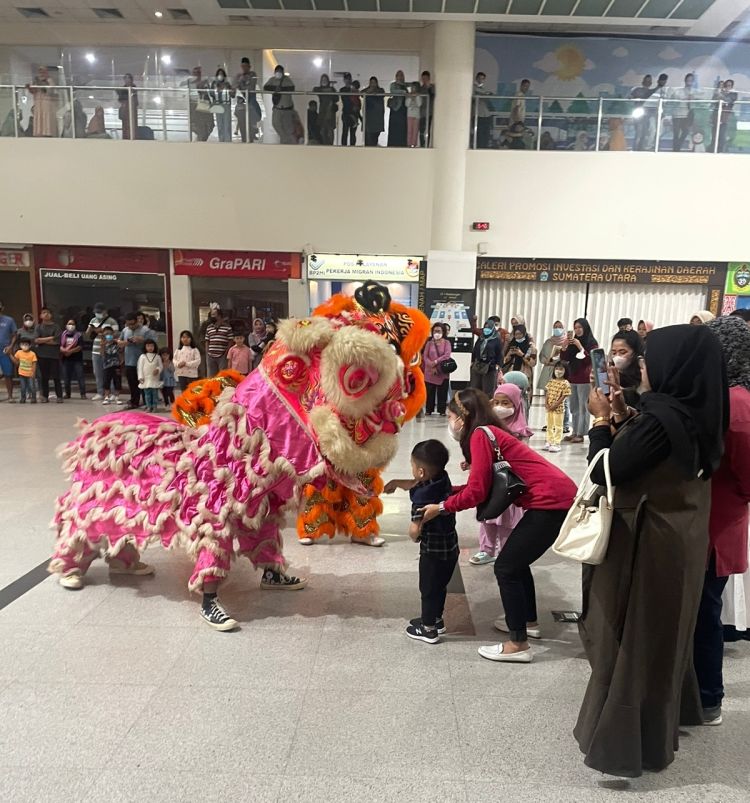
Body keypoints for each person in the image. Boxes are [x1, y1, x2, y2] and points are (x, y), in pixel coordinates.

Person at [576, 324, 728, 779]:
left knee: (633, 638)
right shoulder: (697, 411)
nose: (641, 365)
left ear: (673, 365)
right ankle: (665, 717)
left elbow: (607, 472)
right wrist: (625, 417)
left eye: (646, 359)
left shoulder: (662, 419)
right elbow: (653, 459)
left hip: (648, 544)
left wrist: (601, 423)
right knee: (664, 636)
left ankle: (624, 744)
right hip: (678, 539)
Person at [420, 388, 576, 662]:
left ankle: (518, 645)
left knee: (506, 566)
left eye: (450, 416)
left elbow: (478, 492)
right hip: (555, 497)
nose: (450, 422)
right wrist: (447, 493)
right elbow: (480, 484)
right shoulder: (487, 432)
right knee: (515, 563)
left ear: (463, 416)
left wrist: (442, 507)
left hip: (550, 502)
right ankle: (528, 622)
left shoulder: (480, 434)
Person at [692, 317, 750, 726]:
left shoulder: (737, 403)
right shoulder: (718, 396)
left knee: (704, 612)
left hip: (716, 525)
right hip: (705, 521)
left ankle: (709, 696)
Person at [384, 440, 458, 644]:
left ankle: (428, 629)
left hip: (432, 552)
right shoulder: (441, 478)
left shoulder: (421, 502)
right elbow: (416, 483)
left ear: (421, 471)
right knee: (440, 586)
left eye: (413, 466)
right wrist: (397, 483)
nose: (412, 470)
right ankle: (437, 619)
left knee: (428, 588)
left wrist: (414, 536)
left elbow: (414, 530)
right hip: (451, 547)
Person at [470, 383, 531, 566]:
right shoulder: (488, 426)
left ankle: (506, 552)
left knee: (506, 522)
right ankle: (486, 550)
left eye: (506, 403)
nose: (500, 407)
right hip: (489, 480)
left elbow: (522, 459)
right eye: (496, 402)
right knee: (488, 517)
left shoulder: (520, 432)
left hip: (507, 484)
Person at [563, 318, 598, 443]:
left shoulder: (592, 343)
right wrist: (564, 346)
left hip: (585, 379)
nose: (577, 330)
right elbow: (565, 358)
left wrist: (580, 346)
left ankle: (581, 433)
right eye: (575, 327)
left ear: (585, 328)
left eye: (580, 327)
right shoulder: (572, 342)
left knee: (583, 407)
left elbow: (589, 360)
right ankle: (574, 431)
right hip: (573, 377)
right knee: (574, 407)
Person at [120, 311, 155, 409]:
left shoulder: (145, 330)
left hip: (143, 361)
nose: (130, 326)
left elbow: (153, 343)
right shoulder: (125, 330)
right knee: (132, 382)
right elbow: (120, 341)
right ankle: (134, 401)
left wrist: (141, 340)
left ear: (137, 321)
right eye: (128, 324)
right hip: (129, 360)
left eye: (132, 324)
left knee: (144, 382)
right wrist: (123, 343)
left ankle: (146, 402)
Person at [86, 303, 119, 401]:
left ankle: (113, 393)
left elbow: (116, 335)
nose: (98, 314)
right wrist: (91, 330)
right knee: (97, 372)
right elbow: (88, 335)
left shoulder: (112, 321)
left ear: (105, 311)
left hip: (109, 351)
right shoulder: (93, 320)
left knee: (110, 372)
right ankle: (100, 392)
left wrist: (103, 332)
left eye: (100, 312)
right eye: (96, 312)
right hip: (96, 350)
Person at [34, 307, 63, 404]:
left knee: (56, 377)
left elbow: (56, 342)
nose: (46, 314)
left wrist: (43, 340)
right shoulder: (38, 327)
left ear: (51, 315)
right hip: (42, 355)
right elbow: (36, 340)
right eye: (44, 312)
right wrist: (50, 338)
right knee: (44, 377)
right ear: (41, 315)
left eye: (48, 313)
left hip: (54, 355)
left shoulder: (56, 327)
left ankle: (59, 396)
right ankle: (45, 396)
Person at [423, 323, 451, 416]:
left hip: (442, 371)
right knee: (429, 392)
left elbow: (447, 355)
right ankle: (428, 410)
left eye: (439, 331)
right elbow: (425, 356)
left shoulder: (447, 343)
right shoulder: (429, 343)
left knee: (442, 392)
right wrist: (431, 365)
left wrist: (435, 362)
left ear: (443, 332)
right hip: (430, 372)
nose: (437, 333)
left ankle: (442, 410)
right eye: (435, 331)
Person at [610, 329, 643, 407]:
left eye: (622, 352)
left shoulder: (643, 377)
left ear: (635, 352)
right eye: (614, 353)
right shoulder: (611, 375)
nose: (617, 357)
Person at [264, 65, 296, 145]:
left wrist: (281, 89)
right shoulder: (272, 79)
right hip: (277, 108)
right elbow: (266, 87)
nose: (278, 73)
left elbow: (292, 88)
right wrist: (275, 88)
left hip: (287, 109)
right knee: (275, 123)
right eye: (277, 71)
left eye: (280, 71)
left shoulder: (287, 80)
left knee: (288, 128)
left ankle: (287, 144)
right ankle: (284, 138)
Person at [469, 319, 503, 395]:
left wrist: (498, 365)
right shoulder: (480, 338)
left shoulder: (496, 340)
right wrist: (472, 361)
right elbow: (475, 350)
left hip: (490, 367)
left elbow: (500, 353)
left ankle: (487, 405)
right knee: (475, 388)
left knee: (488, 389)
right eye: (485, 328)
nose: (486, 330)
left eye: (489, 328)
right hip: (478, 365)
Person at [503, 324, 537, 395]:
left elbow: (533, 363)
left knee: (524, 394)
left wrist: (522, 354)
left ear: (524, 334)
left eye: (520, 334)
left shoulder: (531, 347)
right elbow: (504, 361)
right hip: (512, 372)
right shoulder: (512, 344)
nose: (518, 336)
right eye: (516, 334)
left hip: (525, 372)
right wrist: (509, 354)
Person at [543, 363, 570, 453]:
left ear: (565, 371)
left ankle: (557, 443)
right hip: (549, 407)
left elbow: (564, 396)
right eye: (557, 369)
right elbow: (547, 392)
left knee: (558, 426)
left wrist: (556, 404)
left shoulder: (565, 383)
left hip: (558, 409)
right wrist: (546, 403)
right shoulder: (551, 381)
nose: (558, 371)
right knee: (549, 425)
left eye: (561, 369)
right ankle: (549, 441)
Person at [184, 66, 214, 142]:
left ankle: (201, 140)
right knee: (197, 126)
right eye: (195, 73)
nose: (197, 74)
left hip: (204, 104)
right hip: (194, 106)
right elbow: (188, 94)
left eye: (198, 73)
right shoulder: (189, 83)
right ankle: (200, 140)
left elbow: (209, 93)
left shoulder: (205, 82)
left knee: (209, 125)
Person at [234, 57, 261, 144]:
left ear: (249, 66)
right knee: (243, 128)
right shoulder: (239, 76)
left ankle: (252, 134)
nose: (244, 68)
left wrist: (241, 83)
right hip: (241, 106)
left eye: (246, 66)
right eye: (243, 66)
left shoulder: (252, 75)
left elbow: (250, 88)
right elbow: (234, 87)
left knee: (250, 127)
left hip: (251, 104)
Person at [26, 66, 58, 138]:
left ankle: (47, 133)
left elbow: (49, 90)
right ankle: (38, 133)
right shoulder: (36, 80)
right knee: (39, 117)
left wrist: (40, 83)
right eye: (40, 71)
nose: (41, 73)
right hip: (38, 102)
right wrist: (29, 87)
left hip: (46, 103)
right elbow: (34, 91)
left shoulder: (50, 80)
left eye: (43, 71)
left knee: (46, 117)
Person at [538, 320, 568, 393]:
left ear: (564, 328)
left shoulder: (567, 342)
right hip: (548, 369)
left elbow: (568, 358)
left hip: (560, 370)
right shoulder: (548, 341)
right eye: (555, 327)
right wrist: (545, 360)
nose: (557, 329)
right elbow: (541, 355)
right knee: (548, 394)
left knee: (559, 394)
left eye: (560, 327)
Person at [60, 318, 86, 399]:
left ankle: (83, 394)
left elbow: (80, 346)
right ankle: (67, 394)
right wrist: (64, 350)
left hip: (77, 359)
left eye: (72, 324)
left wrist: (70, 351)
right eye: (69, 324)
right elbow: (59, 345)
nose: (71, 326)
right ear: (66, 325)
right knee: (66, 378)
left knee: (80, 376)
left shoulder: (79, 335)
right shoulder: (63, 334)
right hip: (65, 359)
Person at [671, 73, 696, 152]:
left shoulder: (694, 92)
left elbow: (696, 104)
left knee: (686, 131)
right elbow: (674, 100)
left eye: (691, 80)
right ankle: (675, 150)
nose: (690, 81)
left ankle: (677, 146)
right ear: (685, 80)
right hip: (677, 114)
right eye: (688, 79)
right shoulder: (679, 91)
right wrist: (685, 98)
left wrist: (691, 99)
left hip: (686, 115)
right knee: (676, 133)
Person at [630, 74, 656, 151]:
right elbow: (630, 98)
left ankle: (641, 149)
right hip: (639, 114)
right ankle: (635, 149)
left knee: (645, 133)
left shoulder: (652, 92)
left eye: (649, 81)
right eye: (646, 80)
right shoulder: (637, 90)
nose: (647, 82)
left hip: (648, 115)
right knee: (639, 132)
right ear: (643, 81)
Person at [204, 308, 233, 375]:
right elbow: (207, 340)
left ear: (219, 316)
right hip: (210, 356)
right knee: (211, 376)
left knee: (222, 376)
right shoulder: (209, 327)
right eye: (211, 314)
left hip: (222, 355)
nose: (212, 316)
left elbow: (230, 341)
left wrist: (226, 352)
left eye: (214, 314)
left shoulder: (227, 327)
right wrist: (207, 352)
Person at [137, 339, 163, 414]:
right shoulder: (142, 356)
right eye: (148, 346)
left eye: (152, 346)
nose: (150, 348)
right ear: (145, 347)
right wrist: (140, 377)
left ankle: (154, 406)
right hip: (145, 379)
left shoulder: (157, 356)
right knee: (147, 394)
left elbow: (160, 366)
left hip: (154, 378)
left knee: (154, 394)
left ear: (154, 347)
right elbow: (140, 367)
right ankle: (148, 406)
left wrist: (158, 370)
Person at [313, 74, 338, 146]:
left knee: (330, 130)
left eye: (325, 80)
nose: (324, 81)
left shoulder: (332, 89)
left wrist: (331, 91)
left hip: (330, 111)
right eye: (323, 80)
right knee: (323, 130)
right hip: (322, 112)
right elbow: (314, 89)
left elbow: (336, 98)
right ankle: (324, 144)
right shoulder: (319, 89)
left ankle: (330, 145)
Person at [100, 326, 122, 405]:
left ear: (113, 334)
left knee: (117, 381)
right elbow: (102, 354)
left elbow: (121, 352)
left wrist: (121, 361)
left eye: (110, 333)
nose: (108, 335)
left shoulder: (117, 343)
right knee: (106, 381)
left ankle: (117, 397)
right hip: (107, 366)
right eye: (106, 334)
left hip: (116, 365)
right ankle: (106, 397)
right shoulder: (103, 344)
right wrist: (102, 345)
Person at [0, 300, 17, 401]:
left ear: (2, 307)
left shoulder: (9, 320)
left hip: (5, 351)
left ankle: (10, 396)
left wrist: (11, 346)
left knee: (8, 374)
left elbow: (15, 335)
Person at [211, 68, 233, 143]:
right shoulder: (214, 84)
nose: (220, 76)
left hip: (226, 105)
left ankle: (228, 141)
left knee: (227, 124)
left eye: (222, 74)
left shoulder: (227, 84)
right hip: (218, 105)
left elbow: (232, 95)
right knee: (220, 124)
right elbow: (211, 94)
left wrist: (229, 87)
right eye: (219, 74)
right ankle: (221, 140)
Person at [387, 70, 408, 148]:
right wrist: (403, 92)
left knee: (402, 130)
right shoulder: (393, 84)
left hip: (403, 110)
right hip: (396, 109)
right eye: (398, 75)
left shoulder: (405, 86)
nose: (400, 77)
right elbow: (393, 91)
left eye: (401, 75)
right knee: (394, 129)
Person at [363, 76, 385, 147]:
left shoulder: (380, 90)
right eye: (371, 83)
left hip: (377, 120)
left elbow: (382, 94)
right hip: (369, 120)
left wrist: (372, 91)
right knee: (368, 141)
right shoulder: (366, 91)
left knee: (374, 139)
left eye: (374, 83)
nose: (373, 84)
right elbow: (361, 94)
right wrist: (369, 91)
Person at [472, 72, 493, 149]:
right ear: (476, 78)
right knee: (479, 133)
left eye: (483, 79)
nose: (481, 80)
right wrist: (486, 94)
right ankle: (479, 146)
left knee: (486, 132)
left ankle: (485, 146)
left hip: (485, 114)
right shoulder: (473, 87)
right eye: (480, 78)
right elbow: (476, 95)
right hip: (478, 114)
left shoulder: (483, 88)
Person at [116, 73, 138, 140]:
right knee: (125, 126)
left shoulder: (133, 88)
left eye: (128, 78)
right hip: (125, 111)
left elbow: (134, 100)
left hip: (131, 110)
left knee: (131, 126)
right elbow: (121, 98)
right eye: (125, 78)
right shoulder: (123, 88)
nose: (127, 80)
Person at [418, 70, 434, 148]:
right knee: (421, 130)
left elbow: (433, 96)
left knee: (427, 129)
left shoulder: (432, 87)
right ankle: (422, 144)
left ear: (429, 78)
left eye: (426, 78)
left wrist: (429, 88)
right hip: (421, 112)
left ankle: (426, 145)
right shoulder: (420, 89)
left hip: (429, 112)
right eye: (423, 78)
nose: (424, 80)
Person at [406, 82, 422, 148]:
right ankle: (409, 144)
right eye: (412, 88)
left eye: (414, 88)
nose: (413, 89)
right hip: (409, 115)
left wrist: (416, 97)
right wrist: (410, 98)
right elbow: (407, 104)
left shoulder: (419, 96)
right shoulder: (408, 95)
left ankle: (414, 144)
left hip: (416, 116)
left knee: (415, 131)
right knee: (409, 130)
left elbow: (419, 104)